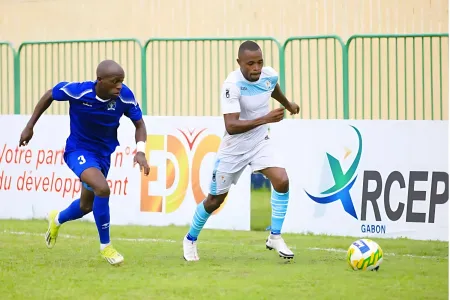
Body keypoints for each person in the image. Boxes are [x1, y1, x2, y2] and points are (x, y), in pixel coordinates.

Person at [19, 60, 150, 266]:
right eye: (115, 81)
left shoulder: (124, 96)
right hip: (78, 150)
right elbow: (50, 94)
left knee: (86, 205)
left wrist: (140, 151)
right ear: (100, 81)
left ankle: (57, 219)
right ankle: (105, 246)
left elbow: (139, 124)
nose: (119, 86)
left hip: (103, 155)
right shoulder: (79, 92)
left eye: (122, 81)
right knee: (102, 188)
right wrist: (29, 126)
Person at [182, 41, 300, 261]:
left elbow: (272, 87)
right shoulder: (231, 85)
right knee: (214, 201)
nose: (256, 68)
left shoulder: (269, 75)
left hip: (259, 143)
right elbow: (231, 126)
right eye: (251, 64)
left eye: (260, 62)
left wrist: (288, 104)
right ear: (239, 63)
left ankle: (275, 236)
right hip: (233, 150)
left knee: (282, 180)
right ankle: (190, 239)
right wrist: (266, 118)